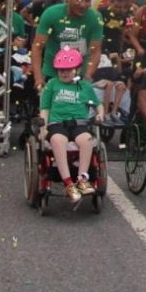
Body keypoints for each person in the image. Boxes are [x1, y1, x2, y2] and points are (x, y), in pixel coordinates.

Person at [39, 49, 104, 203]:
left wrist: (100, 113)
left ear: (78, 69)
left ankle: (82, 180)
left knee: (87, 140)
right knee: (58, 141)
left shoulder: (85, 87)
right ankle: (68, 183)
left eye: (68, 69)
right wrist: (43, 128)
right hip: (57, 124)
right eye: (61, 70)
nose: (64, 73)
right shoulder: (52, 84)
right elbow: (45, 108)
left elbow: (98, 105)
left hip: (79, 124)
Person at [30, 0, 104, 90]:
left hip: (79, 74)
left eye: (87, 0)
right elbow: (37, 47)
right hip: (52, 73)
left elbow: (96, 51)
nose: (83, 5)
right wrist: (38, 78)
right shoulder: (51, 13)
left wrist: (88, 77)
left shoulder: (95, 17)